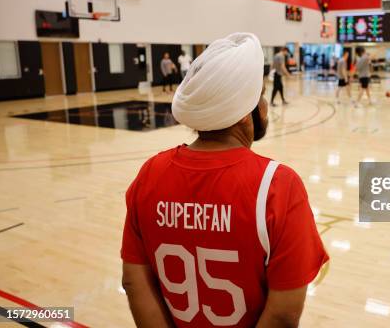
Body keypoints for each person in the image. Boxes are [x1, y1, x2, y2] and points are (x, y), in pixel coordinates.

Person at [121, 33, 328, 328]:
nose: (266, 106)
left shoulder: (149, 173)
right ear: (246, 114)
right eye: (262, 98)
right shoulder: (278, 186)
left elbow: (133, 282)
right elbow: (282, 314)